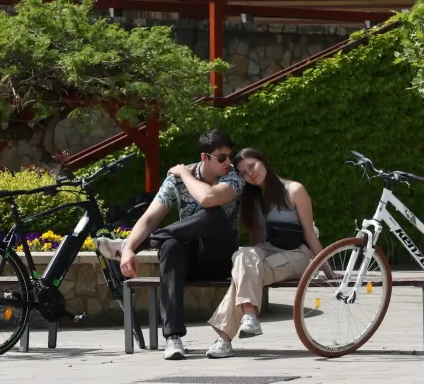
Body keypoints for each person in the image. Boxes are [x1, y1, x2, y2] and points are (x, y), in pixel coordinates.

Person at [96, 129, 243, 360]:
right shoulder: (174, 180)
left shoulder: (233, 178)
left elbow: (207, 199)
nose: (228, 162)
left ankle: (139, 243)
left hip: (220, 258)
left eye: (230, 156)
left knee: (214, 216)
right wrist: (129, 250)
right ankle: (173, 338)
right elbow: (149, 218)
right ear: (205, 157)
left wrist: (185, 174)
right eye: (221, 158)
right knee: (171, 246)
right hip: (188, 261)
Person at [205, 147, 325, 359]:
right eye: (243, 172)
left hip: (296, 254)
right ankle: (249, 316)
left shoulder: (294, 190)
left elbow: (309, 234)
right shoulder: (253, 200)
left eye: (252, 166)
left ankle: (223, 339)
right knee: (243, 257)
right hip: (268, 251)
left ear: (264, 161)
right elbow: (257, 241)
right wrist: (248, 263)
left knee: (245, 275)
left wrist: (329, 270)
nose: (250, 173)